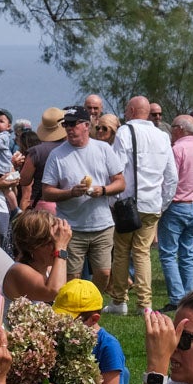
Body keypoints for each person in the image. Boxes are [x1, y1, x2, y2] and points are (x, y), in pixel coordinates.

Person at [105, 96, 177, 316]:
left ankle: (119, 301)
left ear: (132, 110)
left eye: (127, 109)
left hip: (126, 203)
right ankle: (145, 304)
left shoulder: (125, 132)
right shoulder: (163, 136)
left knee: (121, 253)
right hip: (152, 203)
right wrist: (162, 203)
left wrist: (111, 201)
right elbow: (171, 176)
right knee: (142, 253)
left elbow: (116, 168)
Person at [41, 106, 124, 289]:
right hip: (71, 227)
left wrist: (101, 190)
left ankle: (92, 308)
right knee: (72, 277)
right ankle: (73, 314)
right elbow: (47, 191)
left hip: (102, 224)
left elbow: (120, 182)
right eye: (66, 125)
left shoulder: (103, 149)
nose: (69, 128)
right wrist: (71, 192)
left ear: (86, 125)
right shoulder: (57, 155)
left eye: (73, 124)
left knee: (103, 273)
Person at [51, 279, 128, 384]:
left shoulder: (108, 345)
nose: (60, 324)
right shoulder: (62, 339)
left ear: (93, 319)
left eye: (69, 319)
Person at [162, 115, 193, 310]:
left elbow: (171, 179)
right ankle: (190, 295)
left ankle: (177, 298)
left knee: (168, 253)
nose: (171, 131)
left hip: (177, 203)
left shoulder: (176, 149)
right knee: (187, 252)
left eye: (173, 127)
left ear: (179, 128)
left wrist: (162, 204)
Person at [2, 210, 72, 303]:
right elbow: (55, 292)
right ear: (32, 245)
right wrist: (61, 247)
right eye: (52, 242)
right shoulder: (19, 271)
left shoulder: (49, 269)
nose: (56, 248)